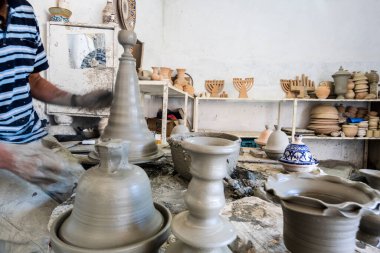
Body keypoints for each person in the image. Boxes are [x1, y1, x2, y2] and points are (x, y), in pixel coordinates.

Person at [0, 0, 113, 252]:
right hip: (3, 155)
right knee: (39, 239)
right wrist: (9, 158)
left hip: (31, 138)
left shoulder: (23, 11)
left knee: (92, 197)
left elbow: (33, 79)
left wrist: (77, 100)